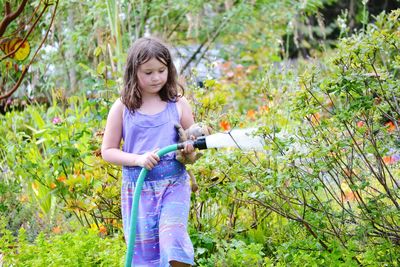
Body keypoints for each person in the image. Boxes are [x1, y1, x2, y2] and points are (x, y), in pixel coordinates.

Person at [101, 37, 195, 267]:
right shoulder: (123, 107)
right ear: (134, 72)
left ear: (169, 70)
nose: (156, 78)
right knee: (144, 256)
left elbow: (191, 149)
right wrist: (138, 159)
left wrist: (190, 150)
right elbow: (108, 151)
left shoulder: (178, 104)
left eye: (161, 70)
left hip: (173, 184)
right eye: (148, 72)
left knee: (174, 240)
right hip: (139, 190)